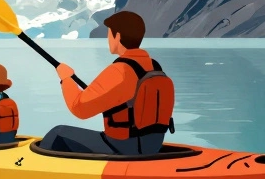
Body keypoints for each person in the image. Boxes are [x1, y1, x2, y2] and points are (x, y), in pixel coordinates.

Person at [42, 11, 174, 156]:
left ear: (117, 36)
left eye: (109, 34)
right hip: (153, 145)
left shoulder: (120, 70)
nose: (108, 38)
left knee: (57, 134)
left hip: (123, 147)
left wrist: (66, 79)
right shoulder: (154, 67)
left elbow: (79, 109)